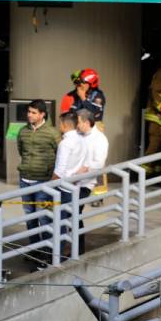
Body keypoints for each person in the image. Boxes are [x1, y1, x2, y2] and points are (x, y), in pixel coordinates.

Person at [17, 99, 59, 266]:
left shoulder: (52, 133)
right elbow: (21, 150)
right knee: (30, 217)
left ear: (42, 114)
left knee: (44, 217)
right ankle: (35, 249)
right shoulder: (23, 131)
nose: (29, 115)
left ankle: (48, 251)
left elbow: (60, 153)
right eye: (29, 111)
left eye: (33, 112)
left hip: (44, 181)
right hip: (25, 179)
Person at [74, 109, 109, 254]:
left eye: (78, 122)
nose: (76, 125)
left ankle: (78, 249)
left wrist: (85, 168)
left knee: (75, 213)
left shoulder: (99, 139)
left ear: (87, 122)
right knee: (70, 214)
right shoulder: (78, 135)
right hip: (72, 181)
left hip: (85, 183)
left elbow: (99, 163)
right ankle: (72, 246)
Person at [53, 111, 86, 259]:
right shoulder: (82, 140)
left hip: (62, 188)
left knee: (59, 223)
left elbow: (59, 171)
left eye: (60, 123)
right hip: (75, 186)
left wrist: (50, 185)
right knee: (71, 221)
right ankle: (71, 252)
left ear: (65, 125)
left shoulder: (65, 143)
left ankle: (57, 256)